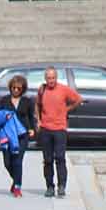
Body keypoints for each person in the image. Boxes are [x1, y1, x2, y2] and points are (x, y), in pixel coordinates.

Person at [35, 66, 80, 197]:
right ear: (45, 79)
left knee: (60, 158)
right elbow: (37, 105)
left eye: (53, 78)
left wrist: (67, 109)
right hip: (45, 129)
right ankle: (49, 186)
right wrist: (38, 120)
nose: (51, 80)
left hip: (60, 129)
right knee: (47, 160)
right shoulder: (42, 90)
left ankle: (61, 186)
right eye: (49, 78)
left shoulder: (63, 89)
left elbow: (78, 99)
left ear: (56, 77)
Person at [0, 81, 31, 197]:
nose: (16, 90)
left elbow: (31, 117)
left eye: (19, 88)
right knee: (7, 163)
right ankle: (16, 180)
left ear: (22, 89)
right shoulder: (4, 100)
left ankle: (18, 187)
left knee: (18, 161)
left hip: (22, 135)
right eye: (13, 88)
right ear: (10, 88)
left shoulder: (27, 101)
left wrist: (32, 129)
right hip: (6, 136)